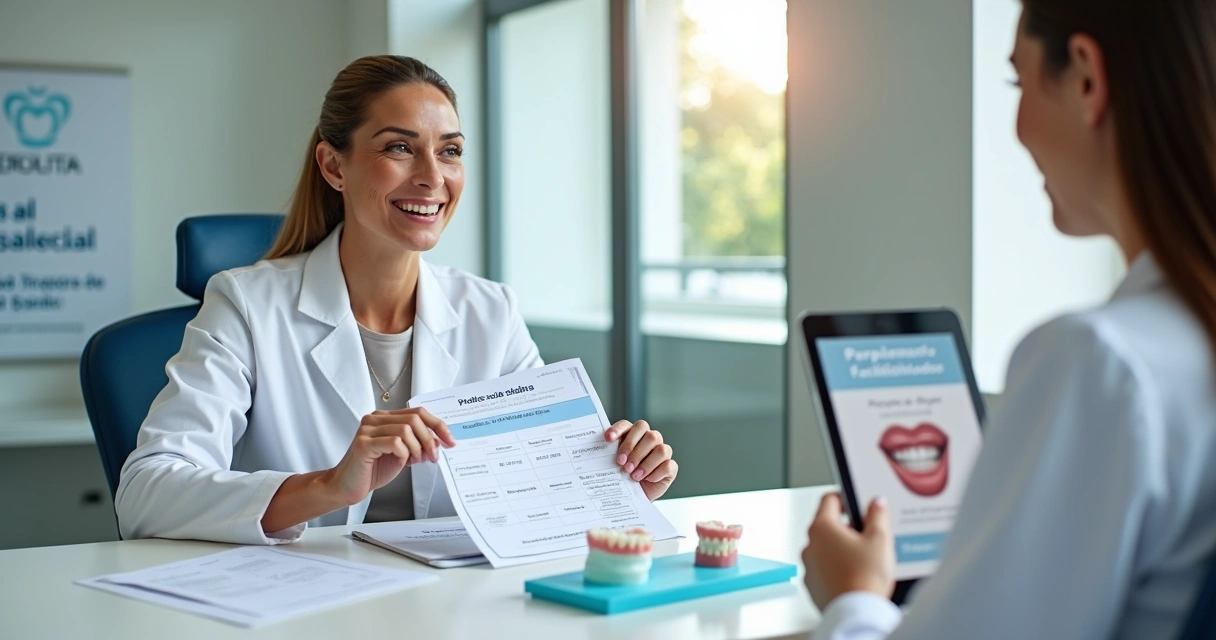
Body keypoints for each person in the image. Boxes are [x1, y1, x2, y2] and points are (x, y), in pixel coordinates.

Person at [115, 56, 679, 544]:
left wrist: (619, 482)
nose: (433, 177)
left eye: (450, 151)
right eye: (400, 148)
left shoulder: (491, 312)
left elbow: (540, 481)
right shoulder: (245, 304)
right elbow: (146, 493)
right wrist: (329, 486)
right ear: (334, 166)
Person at [803, 1, 1216, 637]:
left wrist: (853, 599)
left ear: (1085, 79)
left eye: (1018, 83)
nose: (1017, 128)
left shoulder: (1099, 361)